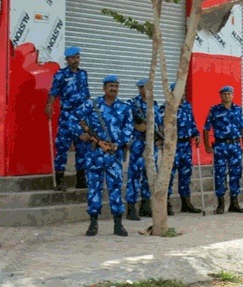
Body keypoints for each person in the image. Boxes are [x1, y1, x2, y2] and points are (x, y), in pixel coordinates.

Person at [81, 75, 131, 237]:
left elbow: (128, 129)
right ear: (104, 88)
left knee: (115, 188)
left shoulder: (124, 107)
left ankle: (118, 224)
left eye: (116, 86)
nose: (114, 89)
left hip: (114, 156)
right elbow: (74, 120)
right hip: (95, 154)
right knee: (94, 189)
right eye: (111, 86)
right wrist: (85, 135)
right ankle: (93, 223)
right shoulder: (92, 105)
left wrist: (119, 144)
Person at [45, 47, 91, 190]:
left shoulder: (83, 74)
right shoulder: (61, 75)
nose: (76, 60)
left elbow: (87, 95)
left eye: (77, 57)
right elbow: (54, 92)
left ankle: (81, 180)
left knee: (82, 147)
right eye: (73, 58)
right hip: (67, 115)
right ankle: (59, 180)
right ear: (67, 59)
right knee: (62, 146)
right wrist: (49, 105)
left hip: (81, 116)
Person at [203, 85, 243, 215]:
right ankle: (221, 204)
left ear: (232, 95)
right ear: (220, 96)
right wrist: (207, 146)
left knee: (236, 174)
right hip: (220, 146)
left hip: (235, 146)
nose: (227, 96)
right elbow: (206, 128)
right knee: (219, 174)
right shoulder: (214, 110)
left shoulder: (238, 109)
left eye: (229, 94)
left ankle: (234, 203)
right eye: (224, 94)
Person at [169, 82, 204, 215]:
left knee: (186, 174)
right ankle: (167, 203)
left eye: (183, 91)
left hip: (186, 145)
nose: (182, 94)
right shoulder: (166, 108)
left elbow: (192, 123)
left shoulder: (187, 107)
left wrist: (196, 134)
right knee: (170, 175)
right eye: (179, 91)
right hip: (173, 145)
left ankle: (186, 202)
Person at [126, 78, 158, 220]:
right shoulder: (133, 104)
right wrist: (136, 126)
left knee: (149, 174)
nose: (143, 90)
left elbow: (160, 123)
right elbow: (128, 121)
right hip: (138, 143)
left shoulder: (155, 104)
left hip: (152, 144)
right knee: (134, 175)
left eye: (145, 87)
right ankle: (131, 208)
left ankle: (146, 206)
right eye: (140, 88)